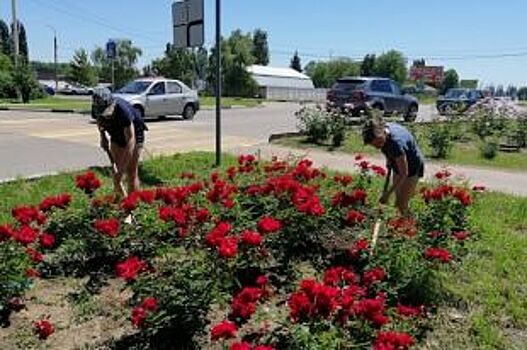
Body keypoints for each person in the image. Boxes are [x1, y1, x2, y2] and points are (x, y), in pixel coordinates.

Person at [362, 118, 425, 216]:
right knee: (398, 202)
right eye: (374, 145)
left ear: (384, 133)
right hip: (398, 164)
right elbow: (387, 149)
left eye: (379, 143)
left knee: (401, 204)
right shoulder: (383, 130)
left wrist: (387, 194)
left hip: (412, 167)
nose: (378, 147)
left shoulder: (396, 143)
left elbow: (404, 173)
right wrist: (389, 160)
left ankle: (409, 226)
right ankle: (401, 224)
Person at [93, 89, 147, 197]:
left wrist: (121, 171)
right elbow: (99, 121)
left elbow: (131, 141)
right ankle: (121, 203)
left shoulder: (123, 111)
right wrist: (103, 137)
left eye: (107, 111)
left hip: (134, 134)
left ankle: (133, 205)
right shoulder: (97, 107)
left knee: (131, 172)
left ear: (112, 104)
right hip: (115, 131)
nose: (105, 115)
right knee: (116, 171)